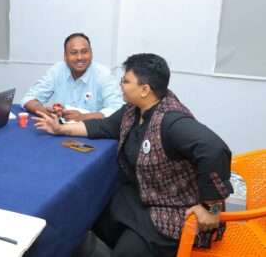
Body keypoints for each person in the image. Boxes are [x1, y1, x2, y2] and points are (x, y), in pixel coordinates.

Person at [34, 53, 233, 256]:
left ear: (145, 90)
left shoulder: (171, 121)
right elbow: (103, 127)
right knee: (90, 207)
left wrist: (212, 207)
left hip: (176, 208)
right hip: (147, 195)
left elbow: (213, 148)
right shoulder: (133, 110)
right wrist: (61, 129)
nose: (121, 84)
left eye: (126, 81)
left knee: (125, 252)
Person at [21, 33, 123, 121]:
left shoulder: (103, 74)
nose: (79, 58)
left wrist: (85, 117)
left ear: (91, 54)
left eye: (84, 52)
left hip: (92, 131)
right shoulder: (57, 70)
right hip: (60, 129)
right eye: (74, 53)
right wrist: (48, 115)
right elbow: (29, 98)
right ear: (65, 56)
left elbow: (118, 108)